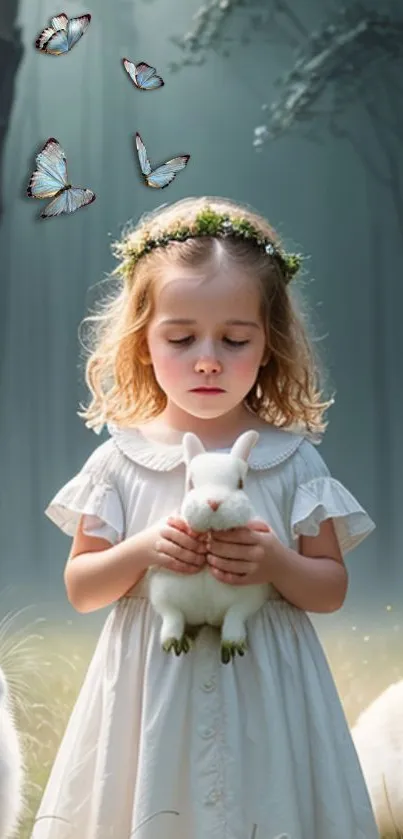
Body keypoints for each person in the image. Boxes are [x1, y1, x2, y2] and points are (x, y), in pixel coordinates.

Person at [31, 196, 379, 839]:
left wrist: (276, 562)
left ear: (269, 345)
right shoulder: (121, 461)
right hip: (148, 700)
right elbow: (82, 588)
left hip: (269, 701)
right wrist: (141, 551)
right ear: (142, 343)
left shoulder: (292, 461)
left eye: (235, 339)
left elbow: (329, 588)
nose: (209, 359)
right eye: (182, 337)